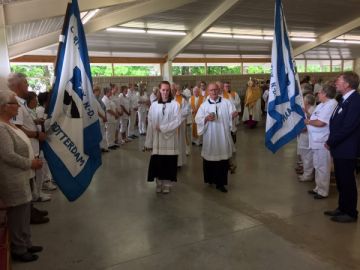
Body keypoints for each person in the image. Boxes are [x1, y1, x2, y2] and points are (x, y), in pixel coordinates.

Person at [0, 90, 43, 262]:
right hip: (13, 178)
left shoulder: (9, 124)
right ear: (4, 107)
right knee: (18, 214)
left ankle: (26, 242)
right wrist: (30, 163)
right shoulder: (1, 128)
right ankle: (18, 248)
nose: (18, 106)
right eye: (14, 103)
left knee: (25, 212)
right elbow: (8, 155)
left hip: (23, 175)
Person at [8, 73, 49, 225]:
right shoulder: (14, 103)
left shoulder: (21, 103)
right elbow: (17, 128)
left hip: (32, 146)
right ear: (18, 86)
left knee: (31, 181)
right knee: (28, 182)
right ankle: (30, 214)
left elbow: (24, 123)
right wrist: (37, 134)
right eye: (25, 83)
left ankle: (32, 209)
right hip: (27, 147)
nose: (28, 86)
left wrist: (36, 121)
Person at [325, 72, 360, 223]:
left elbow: (348, 127)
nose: (335, 83)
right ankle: (342, 207)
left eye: (338, 80)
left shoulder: (356, 100)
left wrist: (331, 141)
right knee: (341, 180)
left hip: (347, 149)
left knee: (347, 181)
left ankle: (351, 212)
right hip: (340, 148)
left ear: (347, 84)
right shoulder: (344, 99)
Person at [195, 83, 238, 193]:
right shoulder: (204, 106)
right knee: (209, 159)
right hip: (210, 136)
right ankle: (210, 179)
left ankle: (220, 183)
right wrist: (205, 119)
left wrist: (233, 115)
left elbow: (233, 113)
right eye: (211, 90)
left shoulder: (226, 102)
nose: (213, 92)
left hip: (223, 135)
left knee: (222, 161)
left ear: (219, 90)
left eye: (215, 90)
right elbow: (197, 119)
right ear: (208, 91)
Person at [144, 81, 182, 194]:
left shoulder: (175, 104)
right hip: (158, 138)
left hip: (170, 138)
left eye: (167, 90)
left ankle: (167, 184)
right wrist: (149, 141)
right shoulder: (154, 105)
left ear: (170, 91)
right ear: (159, 91)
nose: (165, 92)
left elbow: (178, 120)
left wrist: (163, 128)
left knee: (169, 162)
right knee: (158, 162)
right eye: (163, 90)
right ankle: (159, 183)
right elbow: (150, 120)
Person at [305, 84, 337, 199]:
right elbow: (314, 118)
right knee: (317, 165)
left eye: (320, 92)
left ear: (325, 94)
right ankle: (318, 187)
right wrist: (306, 114)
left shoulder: (331, 104)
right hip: (315, 140)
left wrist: (308, 122)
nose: (318, 94)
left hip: (322, 140)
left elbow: (321, 123)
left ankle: (323, 191)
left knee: (323, 166)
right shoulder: (321, 105)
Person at [297, 94, 316, 181]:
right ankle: (306, 172)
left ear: (307, 102)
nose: (302, 102)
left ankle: (308, 175)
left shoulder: (313, 110)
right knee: (304, 156)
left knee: (308, 157)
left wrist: (307, 113)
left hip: (308, 136)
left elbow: (313, 121)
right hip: (303, 135)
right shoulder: (306, 109)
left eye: (303, 100)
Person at [174, 83, 190, 167]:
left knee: (179, 142)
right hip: (168, 127)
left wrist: (177, 115)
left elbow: (187, 110)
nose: (176, 91)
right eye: (174, 90)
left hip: (179, 124)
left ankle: (178, 162)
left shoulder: (182, 99)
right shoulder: (166, 99)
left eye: (177, 90)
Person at [93, 85, 108, 152]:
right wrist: (103, 117)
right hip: (99, 119)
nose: (100, 92)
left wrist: (105, 116)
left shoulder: (99, 99)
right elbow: (96, 111)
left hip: (102, 119)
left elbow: (104, 108)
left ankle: (102, 147)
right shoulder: (93, 99)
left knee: (103, 134)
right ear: (95, 91)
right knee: (99, 134)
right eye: (99, 91)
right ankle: (99, 147)